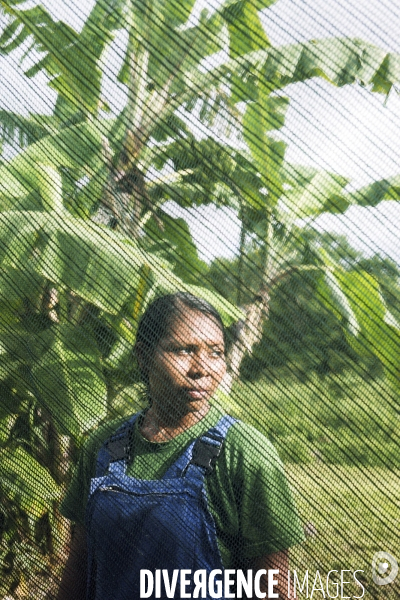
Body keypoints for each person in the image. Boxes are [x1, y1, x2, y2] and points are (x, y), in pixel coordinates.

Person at [57, 292, 304, 599]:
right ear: (143, 356)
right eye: (184, 350)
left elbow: (274, 587)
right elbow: (79, 567)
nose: (202, 368)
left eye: (215, 352)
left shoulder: (245, 451)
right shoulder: (103, 448)